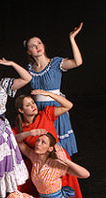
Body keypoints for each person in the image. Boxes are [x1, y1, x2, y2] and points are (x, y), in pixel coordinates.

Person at [23, 23, 83, 156]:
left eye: (39, 43)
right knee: (44, 145)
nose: (37, 47)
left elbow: (77, 62)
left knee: (58, 146)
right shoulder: (29, 69)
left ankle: (63, 173)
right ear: (29, 52)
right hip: (39, 109)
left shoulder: (55, 63)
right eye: (33, 46)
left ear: (43, 45)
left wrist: (72, 39)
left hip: (55, 107)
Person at [13, 90, 82, 198]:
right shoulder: (20, 129)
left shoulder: (45, 114)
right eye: (28, 105)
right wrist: (30, 133)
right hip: (39, 162)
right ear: (21, 110)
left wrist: (50, 95)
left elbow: (68, 105)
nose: (33, 106)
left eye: (33, 103)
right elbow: (14, 140)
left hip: (56, 157)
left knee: (63, 193)